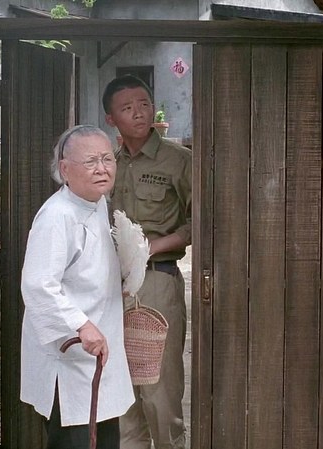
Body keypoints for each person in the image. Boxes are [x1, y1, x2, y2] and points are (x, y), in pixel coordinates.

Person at [20, 125, 135, 449]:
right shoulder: (57, 216)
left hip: (98, 354)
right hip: (72, 359)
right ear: (65, 169)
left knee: (104, 440)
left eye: (107, 159)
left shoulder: (97, 202)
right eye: (90, 161)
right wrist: (81, 325)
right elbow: (38, 285)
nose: (102, 168)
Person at [104, 75, 192, 449]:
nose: (139, 113)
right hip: (112, 286)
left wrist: (152, 248)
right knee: (121, 390)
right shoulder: (108, 163)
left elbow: (202, 221)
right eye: (127, 108)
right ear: (111, 119)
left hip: (157, 281)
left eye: (144, 104)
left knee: (159, 389)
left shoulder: (178, 160)